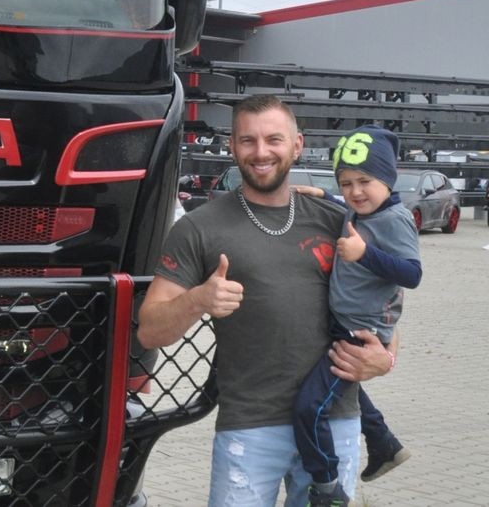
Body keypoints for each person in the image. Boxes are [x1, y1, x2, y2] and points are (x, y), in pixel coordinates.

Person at [137, 94, 395, 507]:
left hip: (335, 421)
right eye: (247, 141)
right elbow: (149, 329)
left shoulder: (336, 221)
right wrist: (199, 300)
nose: (261, 153)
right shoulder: (199, 228)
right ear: (231, 145)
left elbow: (386, 299)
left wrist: (386, 358)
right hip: (250, 427)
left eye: (274, 139)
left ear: (296, 145)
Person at [291, 126, 418, 505]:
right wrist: (323, 195)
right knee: (346, 388)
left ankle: (327, 485)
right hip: (344, 323)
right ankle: (384, 444)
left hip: (359, 333)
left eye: (364, 181)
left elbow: (413, 274)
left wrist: (364, 255)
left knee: (309, 408)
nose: (355, 192)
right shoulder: (364, 210)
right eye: (345, 183)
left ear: (387, 179)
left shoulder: (395, 219)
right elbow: (349, 205)